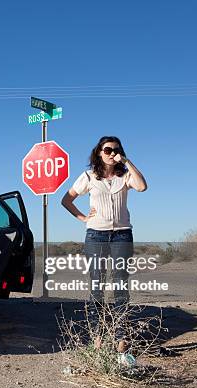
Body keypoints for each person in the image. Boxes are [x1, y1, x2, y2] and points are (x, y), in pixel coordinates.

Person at [61, 136, 147, 353]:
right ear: (99, 152)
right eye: (107, 150)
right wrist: (83, 218)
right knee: (97, 286)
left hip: (121, 235)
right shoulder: (89, 177)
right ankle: (97, 337)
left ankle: (121, 338)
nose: (112, 153)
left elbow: (143, 186)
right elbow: (66, 200)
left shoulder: (125, 176)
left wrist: (126, 161)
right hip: (96, 236)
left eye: (116, 150)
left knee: (120, 285)